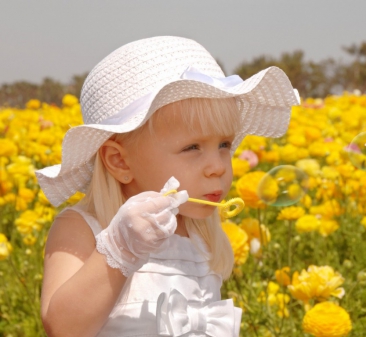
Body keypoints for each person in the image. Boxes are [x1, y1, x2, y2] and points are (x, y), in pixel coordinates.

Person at [36, 36, 298, 337]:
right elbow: (63, 328)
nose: (219, 166)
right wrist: (121, 249)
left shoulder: (198, 232)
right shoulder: (83, 228)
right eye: (192, 147)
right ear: (120, 162)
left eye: (224, 144)